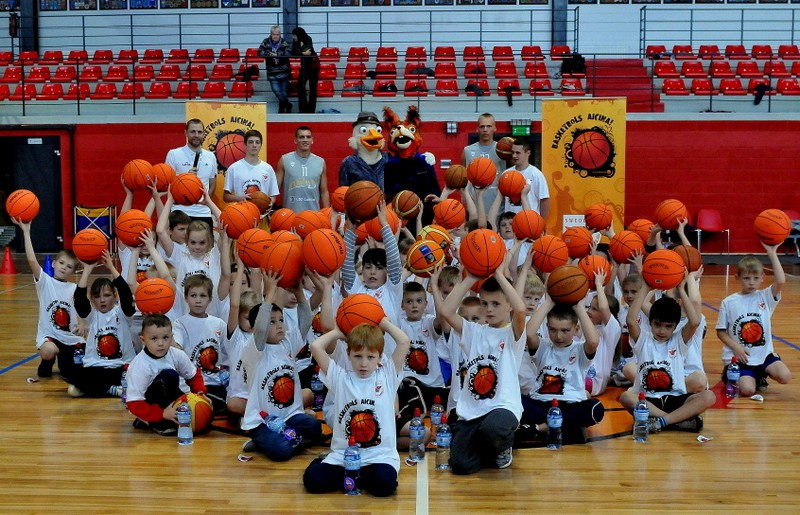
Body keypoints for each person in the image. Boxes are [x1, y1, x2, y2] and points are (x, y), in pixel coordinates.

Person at [304, 318, 411, 497]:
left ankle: (354, 477)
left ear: (379, 357)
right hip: (344, 456)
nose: (363, 363)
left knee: (385, 485)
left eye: (370, 357)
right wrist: (338, 332)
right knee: (312, 481)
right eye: (357, 356)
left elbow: (404, 341)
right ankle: (346, 472)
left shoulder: (387, 375)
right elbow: (316, 347)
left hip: (379, 456)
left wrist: (382, 322)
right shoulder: (340, 378)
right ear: (349, 355)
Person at [439, 256, 527, 474]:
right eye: (485, 303)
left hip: (502, 408)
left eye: (496, 304)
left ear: (508, 306)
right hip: (472, 412)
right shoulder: (474, 332)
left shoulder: (513, 334)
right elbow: (446, 312)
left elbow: (521, 310)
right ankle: (488, 451)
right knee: (459, 466)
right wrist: (471, 277)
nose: (489, 309)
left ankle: (503, 446)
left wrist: (498, 274)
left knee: (493, 429)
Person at [620, 280, 714, 433]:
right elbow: (630, 320)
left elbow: (695, 321)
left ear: (676, 326)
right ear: (650, 322)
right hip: (648, 399)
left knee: (709, 396)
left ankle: (661, 421)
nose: (662, 331)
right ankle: (674, 421)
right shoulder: (643, 339)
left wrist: (681, 289)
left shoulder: (679, 341)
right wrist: (645, 287)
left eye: (668, 326)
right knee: (626, 397)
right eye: (657, 324)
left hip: (674, 398)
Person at [522, 299, 605, 444]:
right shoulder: (544, 346)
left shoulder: (579, 349)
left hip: (569, 405)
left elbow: (593, 341)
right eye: (553, 330)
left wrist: (578, 306)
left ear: (576, 329)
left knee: (595, 409)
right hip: (541, 405)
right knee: (515, 400)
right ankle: (565, 427)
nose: (558, 336)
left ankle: (540, 428)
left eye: (565, 330)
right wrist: (548, 303)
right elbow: (528, 334)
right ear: (547, 328)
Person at [12, 218, 84, 381]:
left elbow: (80, 311)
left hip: (70, 338)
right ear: (53, 263)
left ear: (73, 271)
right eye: (61, 263)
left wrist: (81, 323)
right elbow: (31, 260)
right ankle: (47, 361)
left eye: (69, 266)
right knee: (48, 351)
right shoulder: (45, 282)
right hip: (50, 336)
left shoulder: (74, 288)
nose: (64, 267)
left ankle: (64, 361)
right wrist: (26, 231)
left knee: (70, 371)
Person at [717, 245, 790, 397]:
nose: (751, 282)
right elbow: (721, 332)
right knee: (747, 391)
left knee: (785, 377)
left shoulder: (765, 297)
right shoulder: (728, 302)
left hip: (763, 355)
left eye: (756, 278)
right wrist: (736, 347)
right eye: (746, 278)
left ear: (763, 278)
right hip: (740, 357)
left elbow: (781, 280)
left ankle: (760, 375)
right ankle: (730, 374)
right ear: (737, 277)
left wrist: (772, 253)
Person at [69, 251, 136, 398]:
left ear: (115, 296)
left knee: (139, 376)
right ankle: (111, 389)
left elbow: (126, 293)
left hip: (121, 367)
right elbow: (79, 299)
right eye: (97, 297)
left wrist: (112, 267)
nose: (102, 300)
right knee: (70, 372)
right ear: (92, 300)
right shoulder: (91, 316)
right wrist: (87, 269)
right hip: (96, 368)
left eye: (107, 295)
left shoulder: (123, 313)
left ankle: (98, 389)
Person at [127, 314, 208, 436]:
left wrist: (200, 393)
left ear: (171, 337)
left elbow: (193, 375)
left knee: (208, 411)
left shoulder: (176, 354)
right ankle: (152, 421)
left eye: (165, 337)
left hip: (171, 397)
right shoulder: (139, 366)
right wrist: (162, 413)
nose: (161, 343)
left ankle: (167, 414)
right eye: (154, 339)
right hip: (149, 404)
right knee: (168, 375)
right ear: (143, 340)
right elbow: (134, 403)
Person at [172, 275, 229, 412]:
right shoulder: (180, 324)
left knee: (228, 405)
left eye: (203, 296)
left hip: (214, 383)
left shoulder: (219, 324)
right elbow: (176, 350)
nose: (198, 300)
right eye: (193, 295)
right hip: (190, 384)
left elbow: (227, 355)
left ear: (210, 299)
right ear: (186, 298)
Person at [165, 119, 218, 230]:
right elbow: (167, 184)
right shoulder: (174, 154)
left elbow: (212, 185)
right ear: (186, 133)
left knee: (204, 247)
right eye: (192, 132)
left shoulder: (211, 156)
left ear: (204, 133)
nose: (196, 135)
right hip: (179, 212)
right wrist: (185, 179)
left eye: (199, 132)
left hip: (203, 213)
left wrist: (205, 201)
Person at [275, 126, 330, 212]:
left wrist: (327, 212)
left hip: (313, 216)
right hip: (290, 216)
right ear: (295, 140)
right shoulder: (285, 160)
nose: (305, 140)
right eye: (301, 137)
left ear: (312, 140)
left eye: (308, 137)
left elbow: (324, 192)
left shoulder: (320, 162)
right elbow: (275, 189)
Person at [222, 129, 279, 207]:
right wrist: (239, 198)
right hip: (242, 214)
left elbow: (273, 195)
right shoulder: (234, 168)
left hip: (262, 215)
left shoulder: (268, 169)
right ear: (245, 145)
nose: (254, 145)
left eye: (257, 142)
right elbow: (225, 197)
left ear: (261, 145)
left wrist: (270, 202)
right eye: (251, 142)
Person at [462, 113, 506, 212]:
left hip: (497, 207)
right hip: (474, 207)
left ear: (495, 128)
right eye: (482, 126)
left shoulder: (503, 150)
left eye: (489, 126)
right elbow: (463, 178)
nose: (485, 129)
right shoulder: (467, 151)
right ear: (477, 129)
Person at [503, 139, 550, 218]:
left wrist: (541, 222)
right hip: (510, 223)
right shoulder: (505, 174)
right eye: (513, 152)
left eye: (518, 153)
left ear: (528, 153)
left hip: (529, 223)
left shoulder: (536, 174)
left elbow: (544, 201)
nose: (514, 156)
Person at [259, 25, 292, 114]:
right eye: (274, 34)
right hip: (272, 72)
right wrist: (269, 54)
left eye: (277, 34)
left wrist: (277, 55)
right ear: (271, 34)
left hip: (284, 72)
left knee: (283, 92)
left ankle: (282, 108)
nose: (275, 36)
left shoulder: (284, 42)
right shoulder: (266, 42)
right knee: (277, 91)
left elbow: (288, 53)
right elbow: (259, 52)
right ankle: (288, 105)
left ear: (280, 34)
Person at [291, 27, 320, 114]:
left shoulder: (308, 38)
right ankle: (303, 109)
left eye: (294, 35)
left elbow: (309, 52)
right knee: (300, 86)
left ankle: (311, 110)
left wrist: (301, 51)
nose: (293, 37)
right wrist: (302, 53)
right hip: (304, 66)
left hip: (314, 66)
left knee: (313, 88)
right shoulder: (295, 42)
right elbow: (293, 53)